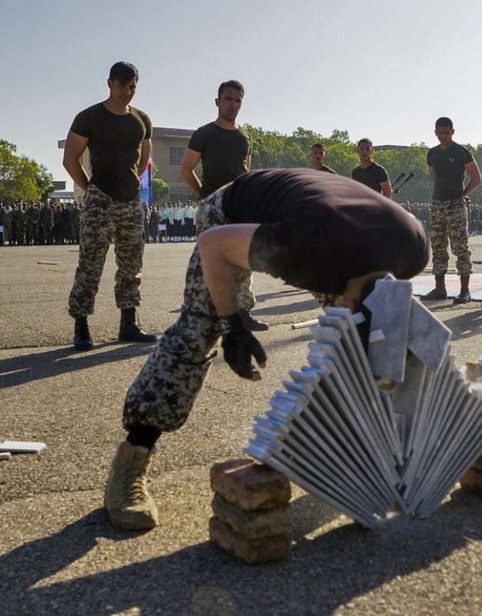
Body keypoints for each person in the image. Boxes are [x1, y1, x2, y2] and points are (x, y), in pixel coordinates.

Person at [104, 168, 429, 530]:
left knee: (379, 353)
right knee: (200, 326)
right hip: (231, 211)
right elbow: (215, 246)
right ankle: (133, 459)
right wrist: (232, 323)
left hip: (322, 220)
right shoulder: (302, 246)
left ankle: (371, 454)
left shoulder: (413, 250)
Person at [62, 60, 157, 351]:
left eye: (132, 87)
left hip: (130, 201)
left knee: (131, 264)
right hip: (100, 200)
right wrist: (91, 187)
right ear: (109, 84)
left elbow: (144, 159)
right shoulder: (89, 117)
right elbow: (70, 159)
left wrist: (130, 183)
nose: (127, 92)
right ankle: (81, 325)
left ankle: (128, 323)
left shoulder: (141, 120)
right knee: (91, 263)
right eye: (122, 86)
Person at [180, 80, 267, 331]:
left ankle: (243, 313)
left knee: (243, 262)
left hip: (239, 208)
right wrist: (205, 197)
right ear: (217, 101)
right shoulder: (205, 133)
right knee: (209, 263)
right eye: (228, 99)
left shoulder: (245, 137)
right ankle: (202, 318)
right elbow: (186, 169)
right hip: (212, 209)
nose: (233, 104)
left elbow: (246, 170)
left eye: (238, 100)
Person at [421, 117, 482, 304]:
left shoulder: (461, 152)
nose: (443, 136)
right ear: (435, 132)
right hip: (438, 203)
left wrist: (463, 193)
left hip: (456, 204)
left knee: (460, 247)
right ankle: (440, 289)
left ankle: (465, 290)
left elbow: (476, 177)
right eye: (439, 133)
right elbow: (434, 176)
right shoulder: (432, 154)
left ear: (452, 132)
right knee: (438, 246)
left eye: (446, 132)